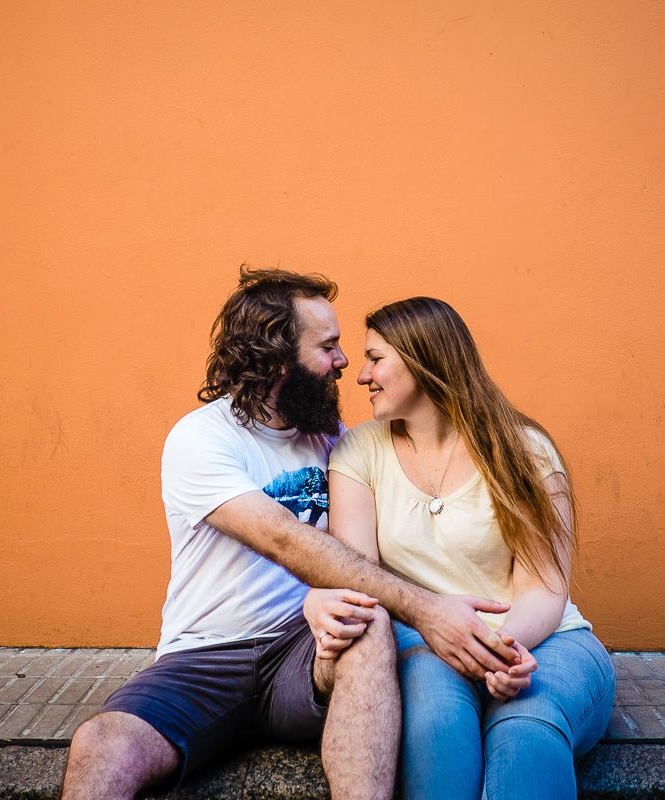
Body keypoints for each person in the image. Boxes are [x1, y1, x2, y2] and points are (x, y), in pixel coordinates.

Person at [61, 270, 524, 800]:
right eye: (328, 347)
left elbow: (365, 551)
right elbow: (284, 538)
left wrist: (325, 599)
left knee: (365, 625)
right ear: (276, 357)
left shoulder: (335, 440)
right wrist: (427, 610)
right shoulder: (201, 439)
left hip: (304, 653)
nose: (344, 363)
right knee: (100, 744)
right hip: (206, 656)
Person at [313, 297, 615, 800]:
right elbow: (358, 576)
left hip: (539, 642)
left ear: (424, 359)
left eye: (376, 358)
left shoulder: (524, 450)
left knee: (527, 734)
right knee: (437, 730)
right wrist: (448, 635)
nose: (361, 375)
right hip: (423, 643)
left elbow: (544, 588)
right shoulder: (358, 453)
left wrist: (503, 650)